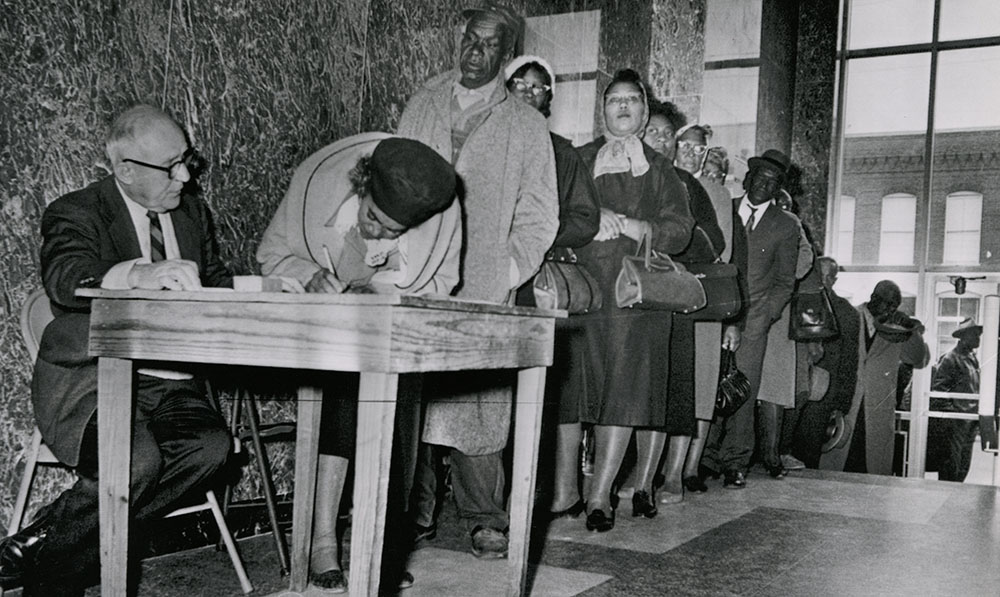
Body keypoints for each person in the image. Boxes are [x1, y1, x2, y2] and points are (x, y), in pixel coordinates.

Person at [0, 104, 234, 596]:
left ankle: (48, 539)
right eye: (171, 165)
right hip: (89, 379)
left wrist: (266, 289)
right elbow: (64, 278)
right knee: (134, 462)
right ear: (126, 170)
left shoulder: (191, 213)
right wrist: (137, 272)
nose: (186, 176)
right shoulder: (78, 210)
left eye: (188, 159)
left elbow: (214, 283)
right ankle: (55, 583)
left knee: (211, 448)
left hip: (171, 382)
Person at [256, 133, 461, 591]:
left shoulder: (444, 221)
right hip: (324, 337)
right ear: (361, 185)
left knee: (400, 404)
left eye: (392, 231)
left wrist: (387, 291)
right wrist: (308, 274)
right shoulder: (319, 186)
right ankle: (323, 538)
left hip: (388, 335)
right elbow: (271, 253)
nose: (377, 233)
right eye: (372, 218)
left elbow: (441, 282)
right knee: (347, 390)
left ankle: (384, 544)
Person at [397, 2, 558, 559]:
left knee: (479, 404)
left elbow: (540, 215)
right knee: (411, 399)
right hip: (417, 276)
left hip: (484, 281)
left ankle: (486, 518)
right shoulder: (423, 101)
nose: (474, 50)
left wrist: (509, 269)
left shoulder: (525, 124)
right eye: (469, 38)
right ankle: (409, 515)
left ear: (505, 55)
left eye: (489, 44)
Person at [572, 68, 694, 530]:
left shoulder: (662, 171)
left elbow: (681, 230)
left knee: (624, 391)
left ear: (644, 114)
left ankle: (600, 495)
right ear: (602, 110)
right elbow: (558, 211)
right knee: (585, 389)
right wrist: (591, 217)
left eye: (632, 100)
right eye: (613, 100)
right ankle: (575, 487)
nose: (622, 106)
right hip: (586, 289)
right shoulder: (581, 160)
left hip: (636, 296)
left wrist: (641, 228)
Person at [504, 55, 600, 518]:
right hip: (493, 280)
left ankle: (552, 491)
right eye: (518, 83)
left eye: (537, 86)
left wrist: (537, 234)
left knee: (549, 392)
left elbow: (585, 220)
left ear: (549, 99)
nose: (527, 91)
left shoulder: (565, 153)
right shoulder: (487, 143)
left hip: (539, 282)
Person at [701, 149, 800, 489]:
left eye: (773, 182)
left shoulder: (786, 226)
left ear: (778, 190)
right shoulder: (722, 210)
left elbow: (785, 281)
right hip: (714, 314)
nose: (764, 185)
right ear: (747, 179)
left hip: (755, 321)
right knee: (708, 384)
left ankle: (736, 461)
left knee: (743, 391)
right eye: (759, 178)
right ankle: (704, 458)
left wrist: (763, 317)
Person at [645, 120, 730, 501]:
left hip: (680, 295)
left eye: (666, 136)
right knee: (646, 390)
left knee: (683, 388)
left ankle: (675, 473)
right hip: (640, 298)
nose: (661, 143)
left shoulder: (690, 185)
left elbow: (716, 243)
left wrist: (674, 246)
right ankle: (642, 474)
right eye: (656, 135)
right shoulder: (635, 174)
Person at [819, 280, 930, 475]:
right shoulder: (848, 316)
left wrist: (910, 329)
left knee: (871, 476)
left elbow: (918, 359)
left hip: (876, 415)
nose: (891, 310)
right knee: (834, 474)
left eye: (896, 305)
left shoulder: (896, 330)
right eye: (888, 303)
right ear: (873, 298)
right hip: (845, 409)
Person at [792, 256, 860, 468]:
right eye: (816, 275)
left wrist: (842, 403)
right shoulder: (798, 302)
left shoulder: (847, 313)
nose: (819, 281)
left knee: (808, 452)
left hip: (823, 393)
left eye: (824, 276)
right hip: (796, 387)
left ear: (833, 279)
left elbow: (850, 360)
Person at [927, 317, 983, 482]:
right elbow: (939, 391)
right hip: (956, 425)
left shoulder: (972, 359)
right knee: (952, 469)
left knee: (962, 468)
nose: (978, 338)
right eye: (975, 335)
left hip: (969, 423)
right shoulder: (951, 359)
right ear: (964, 336)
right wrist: (953, 418)